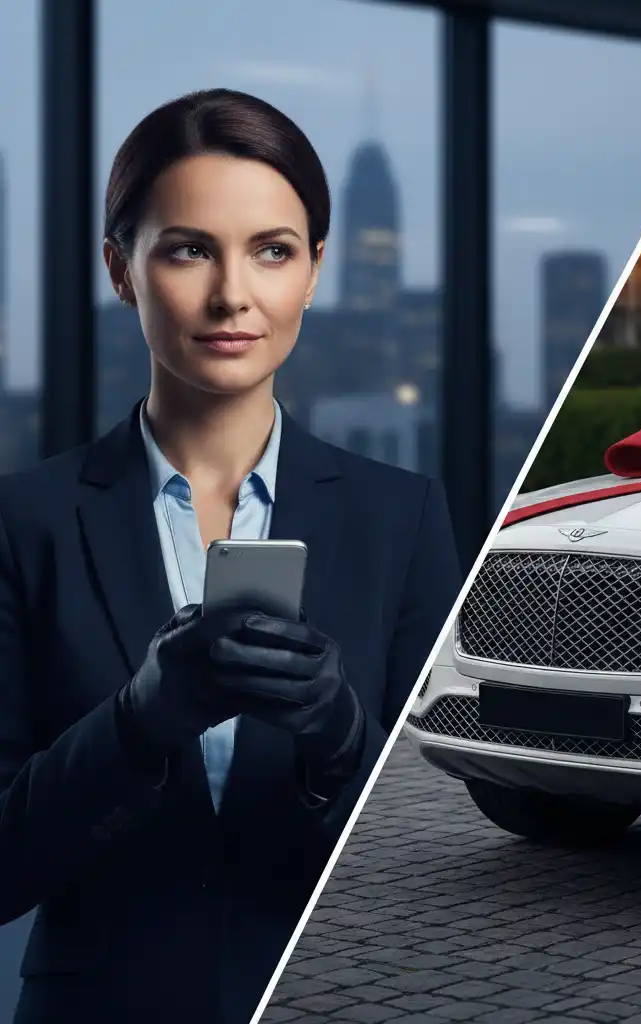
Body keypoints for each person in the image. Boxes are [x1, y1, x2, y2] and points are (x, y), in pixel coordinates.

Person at [0, 88, 463, 1024]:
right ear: (121, 270)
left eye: (272, 251)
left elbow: (448, 862)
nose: (231, 295)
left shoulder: (401, 516)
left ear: (314, 271)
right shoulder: (25, 521)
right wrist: (135, 726)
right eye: (187, 248)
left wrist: (343, 743)